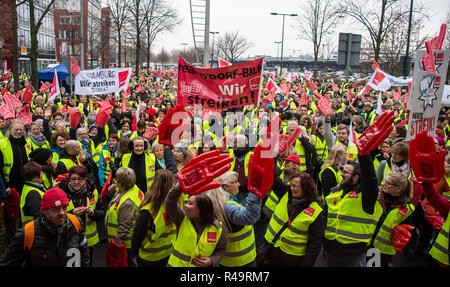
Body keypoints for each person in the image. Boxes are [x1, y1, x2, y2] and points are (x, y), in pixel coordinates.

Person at [0, 188, 89, 267]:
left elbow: (84, 251)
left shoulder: (76, 222)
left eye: (64, 208)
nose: (62, 213)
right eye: (56, 209)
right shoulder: (27, 233)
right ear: (44, 211)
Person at [261, 170, 325, 267]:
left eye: (296, 186)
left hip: (293, 258)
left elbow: (314, 245)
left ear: (306, 188)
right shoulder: (285, 193)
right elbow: (271, 175)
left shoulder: (316, 211)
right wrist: (267, 154)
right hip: (271, 248)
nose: (292, 188)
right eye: (291, 185)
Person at [205, 171, 261, 267]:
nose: (239, 184)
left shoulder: (215, 200)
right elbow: (250, 217)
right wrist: (255, 192)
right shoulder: (227, 205)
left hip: (226, 261)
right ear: (226, 186)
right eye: (235, 182)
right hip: (241, 261)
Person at [165, 181, 228, 267]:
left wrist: (211, 260)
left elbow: (221, 250)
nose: (185, 206)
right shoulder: (182, 219)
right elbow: (170, 203)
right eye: (186, 202)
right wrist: (179, 185)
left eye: (190, 204)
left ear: (200, 210)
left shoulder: (218, 228)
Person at [58, 165, 106, 267]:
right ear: (69, 178)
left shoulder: (92, 191)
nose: (76, 182)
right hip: (68, 240)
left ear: (85, 179)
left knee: (87, 263)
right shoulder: (61, 192)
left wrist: (93, 212)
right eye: (73, 179)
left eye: (80, 179)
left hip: (88, 240)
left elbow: (102, 211)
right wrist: (71, 213)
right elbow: (54, 216)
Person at [131, 169, 177, 267]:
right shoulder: (176, 205)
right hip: (168, 253)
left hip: (149, 256)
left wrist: (133, 253)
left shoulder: (148, 210)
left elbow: (137, 235)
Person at [371, 172, 416, 267]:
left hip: (385, 250)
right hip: (367, 242)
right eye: (385, 181)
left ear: (399, 188)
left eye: (388, 183)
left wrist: (400, 233)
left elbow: (406, 229)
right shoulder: (377, 194)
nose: (384, 185)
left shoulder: (408, 208)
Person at [105, 167, 144, 267]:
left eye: (117, 180)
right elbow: (116, 203)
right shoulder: (130, 188)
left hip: (125, 245)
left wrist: (116, 246)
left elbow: (124, 226)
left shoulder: (128, 203)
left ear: (120, 183)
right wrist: (111, 193)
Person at [0, 120, 30, 241]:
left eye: (20, 130)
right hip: (9, 183)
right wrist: (5, 185)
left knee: (23, 208)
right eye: (16, 130)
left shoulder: (26, 142)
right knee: (10, 212)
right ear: (9, 130)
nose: (18, 132)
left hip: (24, 182)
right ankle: (11, 236)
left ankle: (22, 232)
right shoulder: (2, 144)